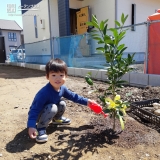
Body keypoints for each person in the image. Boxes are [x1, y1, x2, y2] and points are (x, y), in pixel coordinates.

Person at [27, 58, 97, 143]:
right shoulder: (44, 93)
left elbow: (74, 97)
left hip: (50, 110)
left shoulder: (62, 88)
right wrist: (31, 125)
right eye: (53, 75)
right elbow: (34, 110)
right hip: (39, 115)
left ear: (66, 76)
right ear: (47, 77)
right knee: (52, 107)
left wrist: (87, 102)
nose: (58, 78)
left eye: (61, 75)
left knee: (62, 103)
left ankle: (57, 119)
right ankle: (41, 127)